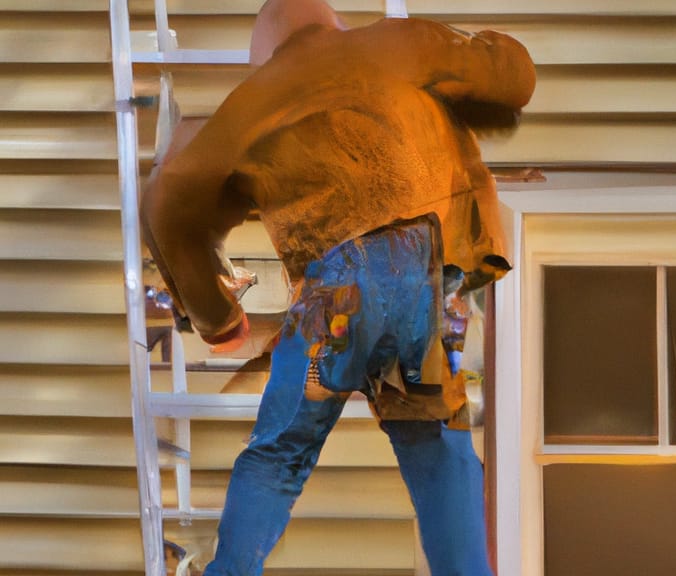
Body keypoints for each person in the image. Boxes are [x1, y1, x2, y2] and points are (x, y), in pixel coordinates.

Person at [141, 1, 535, 574]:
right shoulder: (401, 44)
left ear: (265, 56)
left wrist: (220, 320)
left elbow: (169, 198)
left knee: (278, 454)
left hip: (335, 294)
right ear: (333, 24)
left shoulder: (246, 106)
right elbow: (513, 76)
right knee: (436, 444)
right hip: (419, 274)